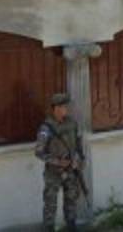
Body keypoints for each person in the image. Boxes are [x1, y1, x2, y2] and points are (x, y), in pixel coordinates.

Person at [35, 93, 84, 232]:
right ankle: (49, 228)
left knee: (71, 200)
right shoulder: (46, 128)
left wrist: (78, 160)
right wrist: (57, 162)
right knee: (50, 203)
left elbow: (78, 145)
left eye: (66, 106)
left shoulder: (72, 123)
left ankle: (71, 226)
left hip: (71, 170)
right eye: (63, 106)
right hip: (53, 172)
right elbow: (39, 152)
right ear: (55, 108)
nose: (66, 109)